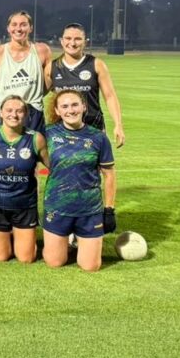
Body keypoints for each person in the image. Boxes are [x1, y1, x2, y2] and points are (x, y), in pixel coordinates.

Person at [42, 89, 117, 272]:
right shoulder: (48, 133)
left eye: (75, 105)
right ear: (57, 111)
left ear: (83, 106)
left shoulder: (98, 137)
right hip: (57, 207)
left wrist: (109, 210)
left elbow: (109, 175)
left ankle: (80, 240)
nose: (71, 110)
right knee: (54, 262)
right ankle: (67, 239)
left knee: (90, 266)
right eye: (65, 106)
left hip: (89, 210)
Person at [0, 95, 49, 263]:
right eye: (9, 110)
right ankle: (7, 234)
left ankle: (20, 235)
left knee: (26, 258)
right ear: (0, 113)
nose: (14, 115)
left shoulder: (36, 138)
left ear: (26, 114)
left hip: (24, 204)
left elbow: (53, 166)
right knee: (1, 257)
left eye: (19, 111)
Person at [47, 22, 126, 147]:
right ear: (62, 41)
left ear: (85, 42)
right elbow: (38, 94)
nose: (72, 43)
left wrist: (118, 125)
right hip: (63, 132)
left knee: (97, 160)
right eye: (68, 38)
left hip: (93, 128)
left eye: (77, 39)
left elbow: (110, 96)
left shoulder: (96, 64)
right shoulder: (52, 67)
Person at [0, 11, 51, 133]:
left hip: (33, 113)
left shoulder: (42, 50)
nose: (18, 29)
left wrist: (36, 94)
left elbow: (48, 81)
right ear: (8, 28)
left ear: (31, 28)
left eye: (23, 25)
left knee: (34, 146)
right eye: (14, 24)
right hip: (2, 111)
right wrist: (8, 86)